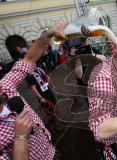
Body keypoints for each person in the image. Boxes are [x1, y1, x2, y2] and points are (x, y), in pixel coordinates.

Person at [0, 21, 67, 160]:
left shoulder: (5, 84)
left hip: (51, 151)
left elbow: (29, 59)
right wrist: (20, 136)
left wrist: (48, 34)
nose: (2, 90)